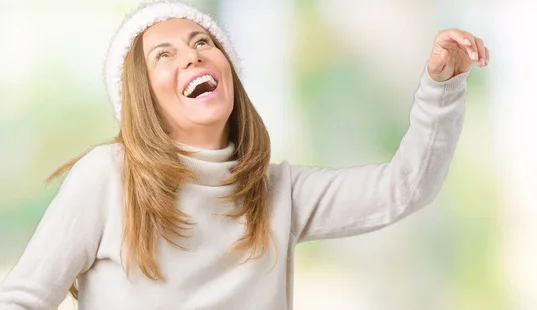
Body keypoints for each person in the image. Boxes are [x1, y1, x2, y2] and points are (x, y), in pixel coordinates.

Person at [0, 0, 489, 309]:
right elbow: (23, 299)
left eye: (202, 42)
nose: (192, 55)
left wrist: (442, 88)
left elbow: (404, 188)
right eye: (163, 54)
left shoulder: (279, 192)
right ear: (140, 100)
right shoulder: (107, 177)